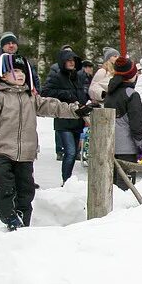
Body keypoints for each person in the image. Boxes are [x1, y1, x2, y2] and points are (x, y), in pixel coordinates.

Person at [0, 53, 88, 229]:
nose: (20, 75)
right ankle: (10, 217)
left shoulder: (31, 98)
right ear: (3, 75)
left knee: (25, 192)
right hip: (3, 152)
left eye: (22, 71)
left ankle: (23, 223)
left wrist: (75, 110)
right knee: (0, 187)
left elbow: (52, 106)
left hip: (26, 154)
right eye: (14, 71)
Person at [42, 47, 87, 183]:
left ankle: (68, 181)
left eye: (73, 60)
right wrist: (64, 94)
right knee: (70, 152)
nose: (71, 62)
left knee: (73, 155)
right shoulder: (57, 77)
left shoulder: (78, 77)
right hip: (63, 120)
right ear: (63, 62)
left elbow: (81, 95)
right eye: (68, 60)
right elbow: (44, 92)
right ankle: (66, 180)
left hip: (77, 119)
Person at [104, 56, 142, 190]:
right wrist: (139, 143)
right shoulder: (132, 94)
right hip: (127, 146)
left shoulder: (110, 93)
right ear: (130, 75)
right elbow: (136, 122)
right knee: (125, 184)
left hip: (110, 144)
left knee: (112, 183)